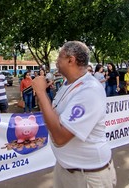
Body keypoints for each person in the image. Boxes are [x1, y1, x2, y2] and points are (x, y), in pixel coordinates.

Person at [32, 41, 116, 188]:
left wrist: (40, 92)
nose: (56, 61)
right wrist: (42, 96)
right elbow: (51, 115)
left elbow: (60, 137)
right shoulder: (67, 84)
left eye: (59, 57)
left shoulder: (89, 91)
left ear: (71, 60)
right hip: (64, 168)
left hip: (88, 175)